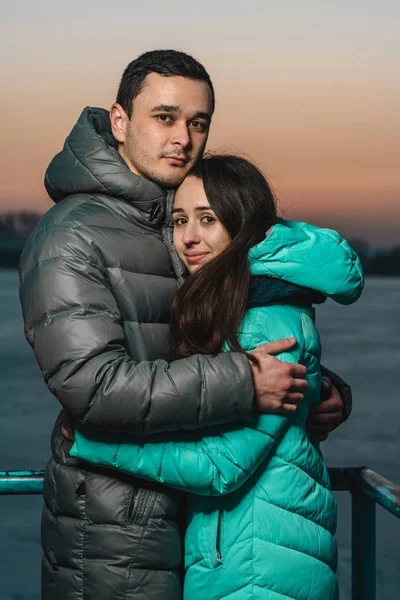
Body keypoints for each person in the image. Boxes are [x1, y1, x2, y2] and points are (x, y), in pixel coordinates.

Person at [19, 50, 350, 600]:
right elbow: (95, 388)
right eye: (165, 117)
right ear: (119, 122)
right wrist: (247, 381)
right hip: (116, 532)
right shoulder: (69, 236)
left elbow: (222, 331)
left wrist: (313, 384)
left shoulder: (182, 215)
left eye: (198, 123)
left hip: (203, 530)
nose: (183, 138)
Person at [71, 154, 364, 600]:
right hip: (258, 551)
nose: (189, 238)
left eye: (208, 219)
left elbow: (218, 466)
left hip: (256, 567)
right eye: (180, 220)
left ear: (242, 224)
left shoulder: (261, 318)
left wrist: (94, 439)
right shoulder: (250, 301)